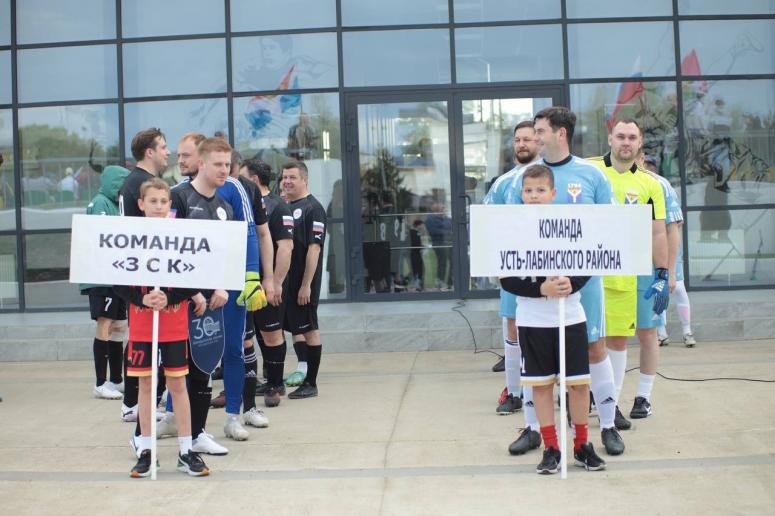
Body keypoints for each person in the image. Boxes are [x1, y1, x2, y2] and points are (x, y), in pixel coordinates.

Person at [506, 107, 619, 458]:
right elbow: (504, 229)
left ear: (561, 133)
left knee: (594, 349)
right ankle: (534, 430)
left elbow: (611, 226)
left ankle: (608, 425)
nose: (534, 137)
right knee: (535, 368)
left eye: (540, 131)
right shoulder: (520, 177)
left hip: (583, 286)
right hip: (534, 293)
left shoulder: (591, 174)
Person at [500, 164, 606, 474]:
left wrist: (572, 283)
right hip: (533, 318)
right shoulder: (512, 228)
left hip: (569, 316)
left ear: (553, 193)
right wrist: (540, 289)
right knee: (542, 386)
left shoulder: (570, 224)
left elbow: (588, 260)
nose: (534, 196)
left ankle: (582, 446)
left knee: (578, 384)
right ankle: (551, 448)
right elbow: (506, 278)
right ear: (521, 194)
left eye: (540, 190)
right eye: (528, 191)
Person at [114, 178, 209, 478]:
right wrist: (141, 298)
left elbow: (193, 278)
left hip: (173, 323)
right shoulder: (129, 237)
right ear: (141, 204)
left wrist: (170, 296)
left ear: (170, 204)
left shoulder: (181, 236)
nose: (158, 206)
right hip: (142, 323)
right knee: (145, 385)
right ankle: (146, 450)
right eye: (152, 201)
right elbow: (117, 280)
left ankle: (186, 451)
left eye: (163, 201)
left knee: (178, 385)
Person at [587, 119, 669, 438]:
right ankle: (581, 400)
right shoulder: (590, 170)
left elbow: (657, 232)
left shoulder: (650, 184)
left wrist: (662, 272)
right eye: (620, 136)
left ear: (639, 142)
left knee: (618, 340)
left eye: (632, 137)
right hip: (588, 274)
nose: (625, 142)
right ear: (610, 138)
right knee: (587, 340)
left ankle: (610, 405)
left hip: (624, 275)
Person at [483, 120, 540, 416]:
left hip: (548, 267)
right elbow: (487, 223)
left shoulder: (551, 177)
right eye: (517, 139)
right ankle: (514, 391)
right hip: (513, 267)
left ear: (538, 141)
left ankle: (555, 390)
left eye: (527, 139)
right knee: (513, 324)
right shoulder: (503, 183)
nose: (522, 144)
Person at [118, 128, 170, 424]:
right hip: (143, 275)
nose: (168, 152)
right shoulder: (137, 183)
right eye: (163, 147)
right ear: (149, 152)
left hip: (148, 273)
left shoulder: (136, 181)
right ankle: (133, 403)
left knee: (146, 340)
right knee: (142, 341)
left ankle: (138, 402)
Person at [241, 158, 294, 406]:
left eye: (240, 176)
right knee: (254, 335)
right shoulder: (243, 203)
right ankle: (259, 381)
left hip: (267, 283)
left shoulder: (277, 206)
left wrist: (275, 281)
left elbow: (286, 247)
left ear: (253, 180)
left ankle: (275, 384)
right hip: (246, 283)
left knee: (272, 334)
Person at [79, 165, 131, 400]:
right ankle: (100, 383)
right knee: (105, 323)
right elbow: (103, 238)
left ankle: (116, 380)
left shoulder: (115, 204)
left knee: (119, 326)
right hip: (101, 276)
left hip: (116, 276)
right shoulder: (100, 203)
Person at [281, 161, 326, 398]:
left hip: (303, 284)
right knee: (295, 328)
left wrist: (306, 285)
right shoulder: (286, 205)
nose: (287, 181)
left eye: (292, 177)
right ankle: (299, 372)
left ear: (304, 180)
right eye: (284, 177)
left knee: (309, 329)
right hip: (287, 283)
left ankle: (311, 383)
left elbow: (314, 249)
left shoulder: (313, 208)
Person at [641, 155, 696, 348]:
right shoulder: (632, 182)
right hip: (646, 251)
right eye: (646, 164)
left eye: (651, 165)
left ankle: (687, 331)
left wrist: (671, 269)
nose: (647, 167)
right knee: (656, 289)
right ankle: (661, 333)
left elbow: (677, 222)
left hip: (666, 248)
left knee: (678, 287)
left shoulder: (662, 185)